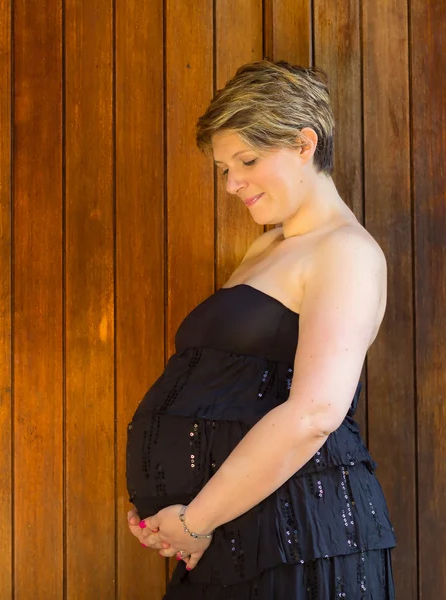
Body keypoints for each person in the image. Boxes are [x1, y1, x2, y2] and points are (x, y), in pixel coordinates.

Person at [125, 60, 396, 599]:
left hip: (303, 531)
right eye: (224, 168)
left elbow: (315, 413)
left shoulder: (346, 252)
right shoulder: (267, 247)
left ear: (304, 144)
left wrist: (195, 518)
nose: (231, 184)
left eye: (246, 160)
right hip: (237, 529)